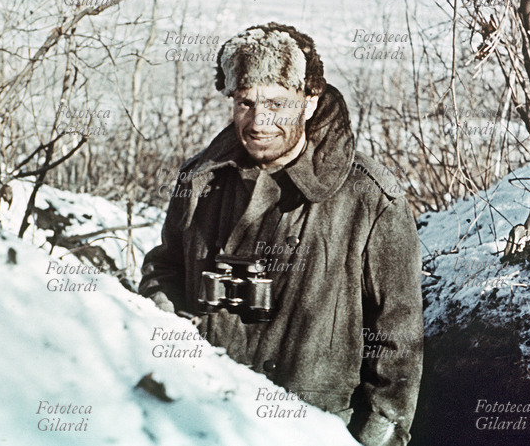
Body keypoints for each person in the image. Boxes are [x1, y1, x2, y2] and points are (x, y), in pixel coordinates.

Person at [139, 22, 423, 446]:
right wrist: (170, 317)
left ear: (309, 102)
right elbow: (166, 267)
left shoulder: (369, 197)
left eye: (276, 102)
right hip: (205, 420)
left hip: (313, 428)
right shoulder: (200, 181)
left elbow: (398, 338)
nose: (258, 121)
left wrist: (376, 437)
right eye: (245, 103)